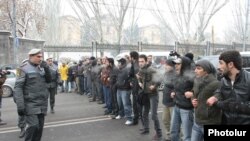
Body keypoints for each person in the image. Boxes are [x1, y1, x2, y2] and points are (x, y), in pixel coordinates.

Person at [14, 48, 51, 141]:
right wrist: (20, 106)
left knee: (39, 130)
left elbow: (49, 80)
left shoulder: (42, 68)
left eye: (41, 57)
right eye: (38, 57)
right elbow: (18, 88)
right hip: (30, 104)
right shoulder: (22, 68)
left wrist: (46, 68)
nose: (40, 59)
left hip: (42, 104)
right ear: (30, 57)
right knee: (33, 126)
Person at [207, 50, 250, 124]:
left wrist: (233, 105)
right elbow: (220, 91)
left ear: (230, 64)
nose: (218, 67)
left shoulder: (248, 79)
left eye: (221, 63)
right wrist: (215, 97)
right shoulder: (224, 80)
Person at [190, 60, 222, 141]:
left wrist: (215, 97)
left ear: (206, 71)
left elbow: (221, 95)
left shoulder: (216, 83)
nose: (195, 71)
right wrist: (193, 99)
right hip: (197, 121)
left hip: (210, 122)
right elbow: (193, 92)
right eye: (195, 68)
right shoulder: (197, 80)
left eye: (198, 69)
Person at [137, 54, 162, 141]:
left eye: (142, 61)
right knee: (144, 113)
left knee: (154, 115)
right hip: (145, 94)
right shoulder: (141, 69)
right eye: (139, 61)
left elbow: (160, 78)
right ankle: (146, 129)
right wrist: (140, 81)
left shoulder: (151, 69)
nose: (140, 63)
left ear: (146, 61)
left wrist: (154, 86)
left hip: (153, 94)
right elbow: (140, 78)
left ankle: (159, 134)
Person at [170, 56, 194, 141]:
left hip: (187, 109)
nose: (176, 65)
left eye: (178, 64)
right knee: (173, 132)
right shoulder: (177, 75)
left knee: (187, 135)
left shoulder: (192, 75)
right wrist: (173, 91)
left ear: (184, 64)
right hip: (177, 106)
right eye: (175, 63)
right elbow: (176, 87)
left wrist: (192, 93)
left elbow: (200, 88)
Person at [115, 57, 133, 125]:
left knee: (126, 104)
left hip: (125, 89)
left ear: (122, 63)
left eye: (119, 63)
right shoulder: (120, 69)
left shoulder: (126, 69)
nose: (118, 64)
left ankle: (129, 118)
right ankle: (121, 114)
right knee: (120, 103)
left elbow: (128, 77)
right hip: (119, 88)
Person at [162, 59, 175, 141]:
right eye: (165, 64)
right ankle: (168, 135)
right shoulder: (165, 74)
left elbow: (179, 86)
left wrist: (174, 91)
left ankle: (178, 137)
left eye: (167, 65)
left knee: (174, 122)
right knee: (165, 120)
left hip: (173, 102)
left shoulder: (176, 75)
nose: (165, 66)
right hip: (165, 101)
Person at [129, 51, 140, 125]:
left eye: (130, 57)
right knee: (135, 104)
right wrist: (131, 80)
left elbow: (138, 78)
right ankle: (136, 118)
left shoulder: (137, 65)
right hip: (135, 87)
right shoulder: (134, 64)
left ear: (132, 57)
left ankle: (136, 119)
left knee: (136, 104)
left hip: (137, 88)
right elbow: (131, 74)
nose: (129, 58)